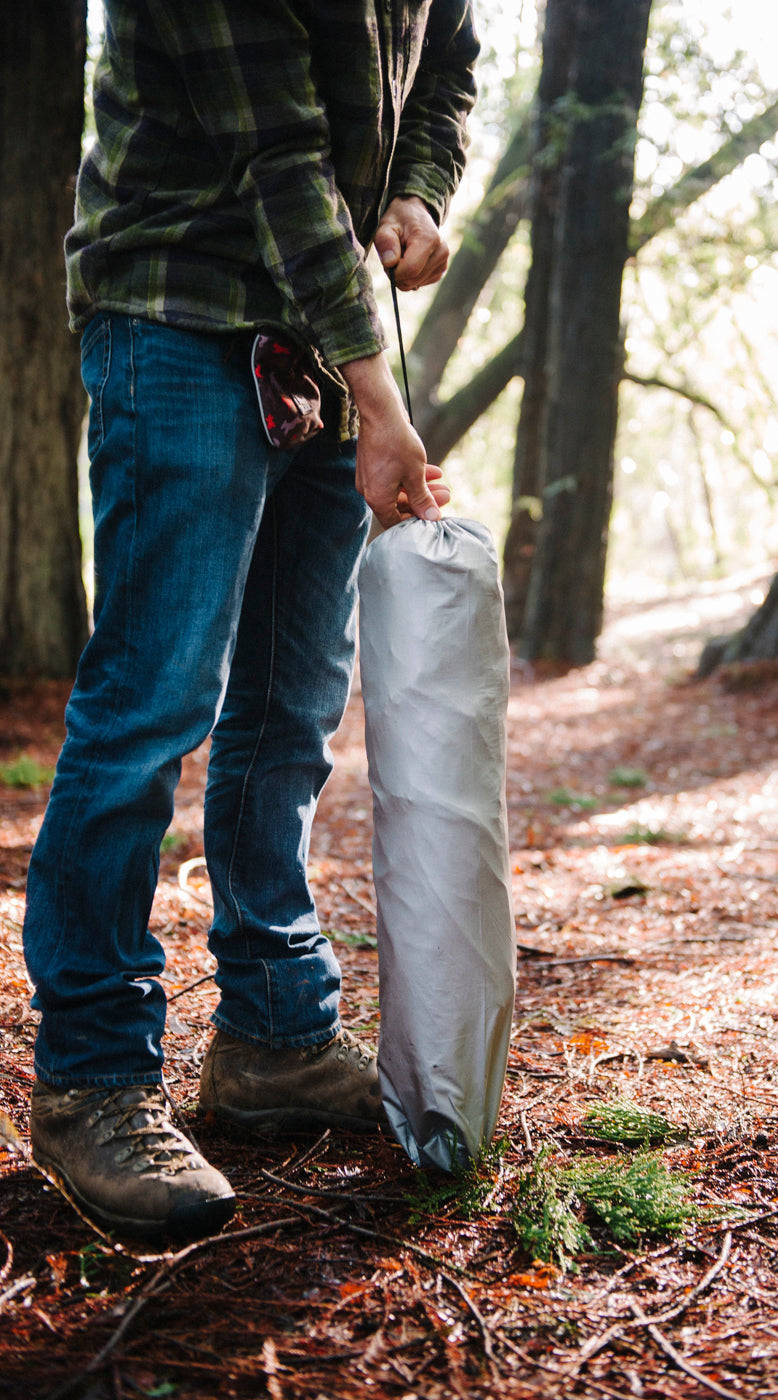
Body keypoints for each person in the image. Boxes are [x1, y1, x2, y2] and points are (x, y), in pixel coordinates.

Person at [23, 0, 479, 1244]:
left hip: (320, 328)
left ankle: (274, 1033)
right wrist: (379, 391)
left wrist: (423, 193)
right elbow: (277, 153)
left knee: (288, 699)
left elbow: (444, 67)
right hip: (180, 307)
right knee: (154, 695)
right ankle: (91, 1077)